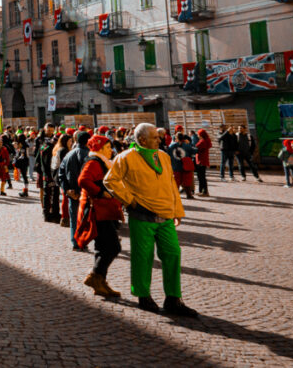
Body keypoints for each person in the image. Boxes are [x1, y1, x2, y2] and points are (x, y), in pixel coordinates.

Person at [104, 123, 197, 317]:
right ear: (142, 140)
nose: (159, 139)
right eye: (155, 137)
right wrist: (130, 201)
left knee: (173, 253)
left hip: (166, 216)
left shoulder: (163, 156)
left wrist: (177, 210)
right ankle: (143, 294)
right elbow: (110, 180)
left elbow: (171, 184)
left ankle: (173, 298)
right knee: (143, 257)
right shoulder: (125, 157)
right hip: (142, 217)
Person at [75, 134, 123, 298]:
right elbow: (83, 180)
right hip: (98, 210)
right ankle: (95, 276)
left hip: (103, 210)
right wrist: (100, 192)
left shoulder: (101, 161)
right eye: (108, 147)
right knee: (113, 246)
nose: (111, 150)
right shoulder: (94, 162)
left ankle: (100, 281)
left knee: (103, 247)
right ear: (100, 148)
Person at [60, 130, 92, 251]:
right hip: (83, 192)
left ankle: (75, 241)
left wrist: (67, 189)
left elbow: (60, 174)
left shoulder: (68, 154)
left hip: (72, 192)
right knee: (85, 218)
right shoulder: (87, 154)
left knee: (74, 218)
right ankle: (81, 240)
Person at [167, 133, 196, 199]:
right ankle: (189, 195)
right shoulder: (187, 146)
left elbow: (168, 154)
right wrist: (190, 144)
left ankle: (174, 195)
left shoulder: (171, 146)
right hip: (185, 166)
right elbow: (194, 151)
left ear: (176, 138)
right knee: (187, 181)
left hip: (175, 166)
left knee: (176, 181)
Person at [192, 129, 212, 197]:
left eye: (198, 134)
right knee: (200, 176)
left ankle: (204, 191)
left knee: (201, 177)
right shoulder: (205, 141)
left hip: (201, 161)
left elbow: (196, 149)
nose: (197, 135)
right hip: (202, 160)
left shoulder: (202, 142)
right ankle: (201, 191)